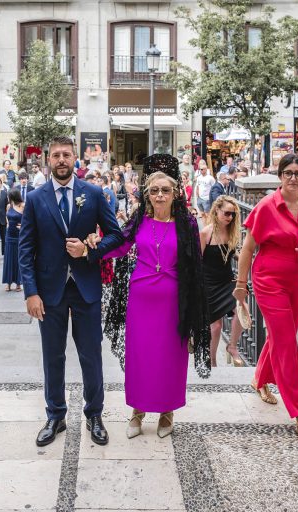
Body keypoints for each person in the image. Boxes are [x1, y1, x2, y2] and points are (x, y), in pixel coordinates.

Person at [91, 155, 210, 440]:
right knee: (140, 357)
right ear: (147, 194)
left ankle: (167, 412)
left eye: (165, 190)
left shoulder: (188, 224)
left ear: (174, 194)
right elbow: (119, 246)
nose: (159, 195)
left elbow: (194, 265)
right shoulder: (138, 221)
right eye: (154, 190)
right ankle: (138, 411)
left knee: (170, 357)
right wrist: (93, 249)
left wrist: (195, 308)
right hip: (141, 300)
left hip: (173, 302)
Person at [18, 135, 124, 447]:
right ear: (47, 161)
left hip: (85, 288)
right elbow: (25, 250)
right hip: (48, 291)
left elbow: (115, 237)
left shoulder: (92, 193)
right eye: (56, 155)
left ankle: (94, 414)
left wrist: (89, 252)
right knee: (53, 355)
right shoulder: (36, 199)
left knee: (91, 354)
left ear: (75, 158)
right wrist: (30, 293)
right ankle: (56, 414)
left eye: (66, 154)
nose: (61, 160)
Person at [234, 153, 298, 445]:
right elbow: (248, 248)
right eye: (288, 173)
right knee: (286, 341)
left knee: (280, 336)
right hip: (268, 279)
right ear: (280, 176)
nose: (293, 178)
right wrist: (241, 284)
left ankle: (259, 379)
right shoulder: (266, 206)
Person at [201, 195, 244, 367]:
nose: (230, 218)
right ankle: (211, 360)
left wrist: (247, 258)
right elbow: (197, 261)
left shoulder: (232, 231)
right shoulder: (205, 233)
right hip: (209, 283)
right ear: (216, 211)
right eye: (227, 213)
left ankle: (232, 346)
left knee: (242, 310)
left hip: (227, 281)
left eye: (233, 214)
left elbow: (233, 254)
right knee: (216, 326)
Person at [2, 188, 24, 292]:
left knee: (18, 258)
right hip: (9, 235)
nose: (8, 198)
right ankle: (8, 283)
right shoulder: (9, 206)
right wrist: (7, 224)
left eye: (9, 196)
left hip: (19, 235)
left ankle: (18, 283)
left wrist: (23, 227)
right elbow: (7, 217)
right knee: (8, 258)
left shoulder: (23, 205)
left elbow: (29, 219)